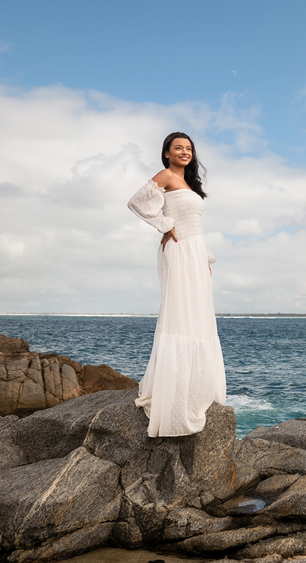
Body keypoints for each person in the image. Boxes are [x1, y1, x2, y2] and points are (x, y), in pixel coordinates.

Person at [127, 131, 226, 436]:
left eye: (188, 148)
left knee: (197, 317)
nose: (184, 152)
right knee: (180, 315)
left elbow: (197, 226)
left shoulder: (190, 185)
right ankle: (172, 394)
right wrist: (164, 225)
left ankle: (193, 387)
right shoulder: (166, 175)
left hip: (195, 253)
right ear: (167, 153)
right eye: (178, 148)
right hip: (179, 250)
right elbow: (137, 202)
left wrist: (205, 260)